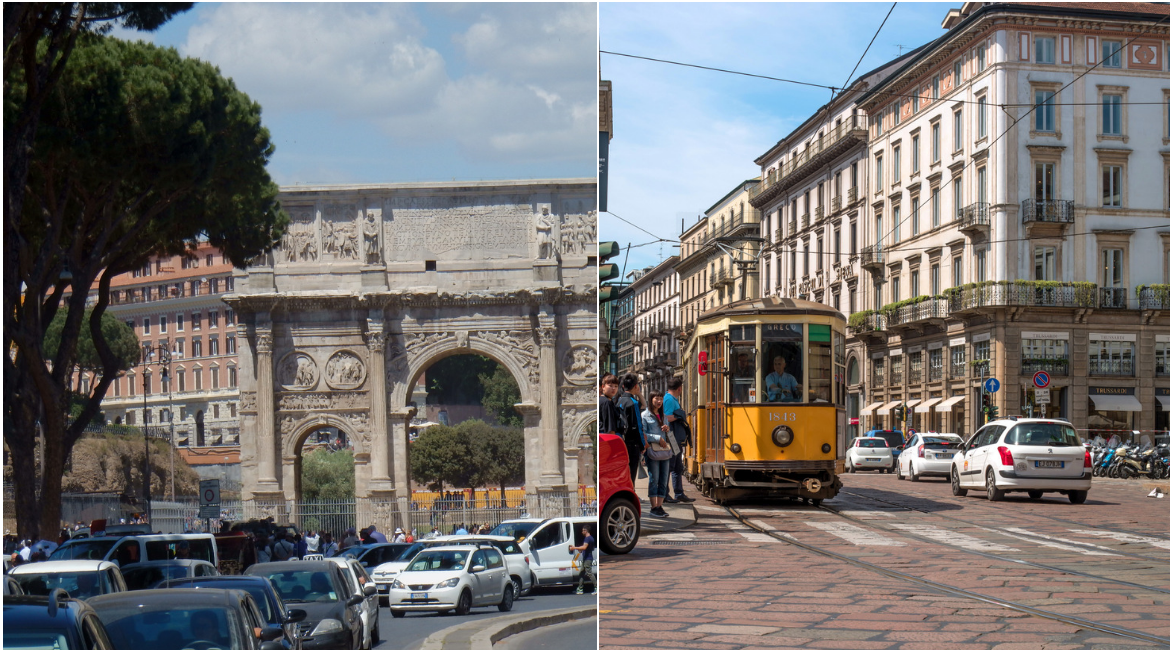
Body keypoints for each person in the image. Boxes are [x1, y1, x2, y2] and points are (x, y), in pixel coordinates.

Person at [641, 393, 674, 518]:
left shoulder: (664, 416)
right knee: (654, 479)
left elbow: (668, 434)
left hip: (664, 451)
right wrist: (657, 437)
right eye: (656, 398)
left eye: (661, 399)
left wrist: (667, 429)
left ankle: (659, 506)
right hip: (653, 451)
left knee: (664, 479)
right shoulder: (645, 415)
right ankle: (653, 507)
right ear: (651, 400)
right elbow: (643, 433)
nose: (659, 401)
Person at [663, 377, 695, 503]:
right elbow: (667, 417)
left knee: (677, 465)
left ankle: (679, 493)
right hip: (671, 437)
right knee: (671, 465)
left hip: (674, 437)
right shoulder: (669, 399)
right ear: (680, 388)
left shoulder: (671, 399)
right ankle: (665, 493)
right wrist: (679, 416)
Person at [616, 373, 647, 483]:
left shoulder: (619, 401)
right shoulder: (633, 403)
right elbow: (638, 426)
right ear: (635, 386)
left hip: (620, 442)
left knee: (623, 472)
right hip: (632, 443)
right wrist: (642, 444)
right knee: (631, 472)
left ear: (623, 386)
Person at [568, 525, 596, 595]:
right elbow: (586, 548)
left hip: (588, 559)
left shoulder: (587, 538)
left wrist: (574, 548)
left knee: (589, 573)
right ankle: (580, 588)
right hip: (586, 558)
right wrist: (579, 549)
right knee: (581, 573)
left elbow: (584, 547)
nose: (582, 532)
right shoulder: (591, 538)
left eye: (583, 530)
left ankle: (596, 587)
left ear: (586, 531)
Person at [598, 373, 621, 438]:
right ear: (603, 387)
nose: (613, 388)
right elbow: (610, 428)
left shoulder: (604, 400)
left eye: (616, 386)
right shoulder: (607, 402)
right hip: (608, 437)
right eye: (610, 386)